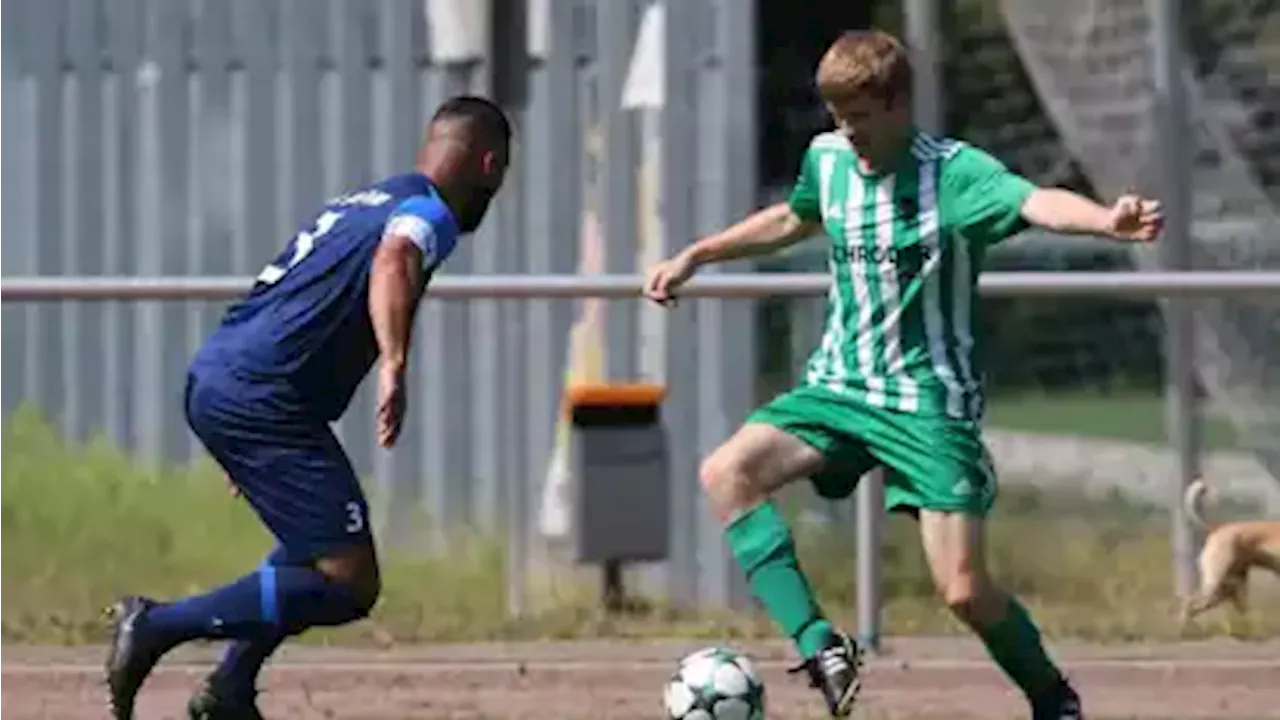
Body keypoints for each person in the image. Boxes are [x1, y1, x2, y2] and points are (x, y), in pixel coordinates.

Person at [643, 30, 1162, 720]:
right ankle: (822, 645)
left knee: (963, 591)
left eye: (859, 116)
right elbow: (795, 218)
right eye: (836, 117)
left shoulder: (953, 173)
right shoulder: (827, 160)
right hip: (838, 389)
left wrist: (1106, 220)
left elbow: (1036, 201)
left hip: (927, 403)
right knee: (726, 473)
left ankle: (1052, 698)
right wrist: (698, 254)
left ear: (898, 106)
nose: (847, 133)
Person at [103, 95, 513, 720]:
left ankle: (230, 690)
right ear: (488, 163)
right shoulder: (427, 213)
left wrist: (238, 426)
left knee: (309, 546)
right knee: (350, 580)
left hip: (229, 375)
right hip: (261, 395)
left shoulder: (366, 201)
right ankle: (156, 625)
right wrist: (395, 365)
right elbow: (395, 259)